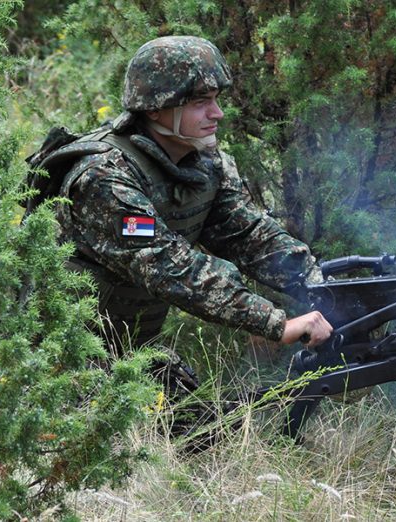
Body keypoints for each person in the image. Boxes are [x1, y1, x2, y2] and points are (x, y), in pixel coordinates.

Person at [53, 36, 333, 394]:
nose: (217, 113)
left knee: (205, 436)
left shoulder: (202, 163)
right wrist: (277, 324)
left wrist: (321, 283)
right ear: (156, 108)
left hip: (132, 351)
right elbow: (171, 267)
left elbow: (248, 236)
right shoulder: (103, 177)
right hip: (64, 356)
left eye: (216, 100)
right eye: (201, 103)